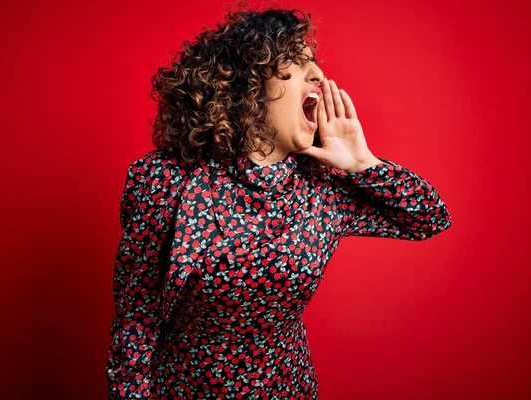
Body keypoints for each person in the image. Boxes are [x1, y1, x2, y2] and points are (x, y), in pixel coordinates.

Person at [105, 5, 452, 399]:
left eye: (314, 64)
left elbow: (429, 218)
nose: (319, 74)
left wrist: (363, 164)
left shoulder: (322, 188)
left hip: (290, 389)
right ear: (247, 86)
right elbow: (137, 319)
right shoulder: (166, 182)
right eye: (296, 62)